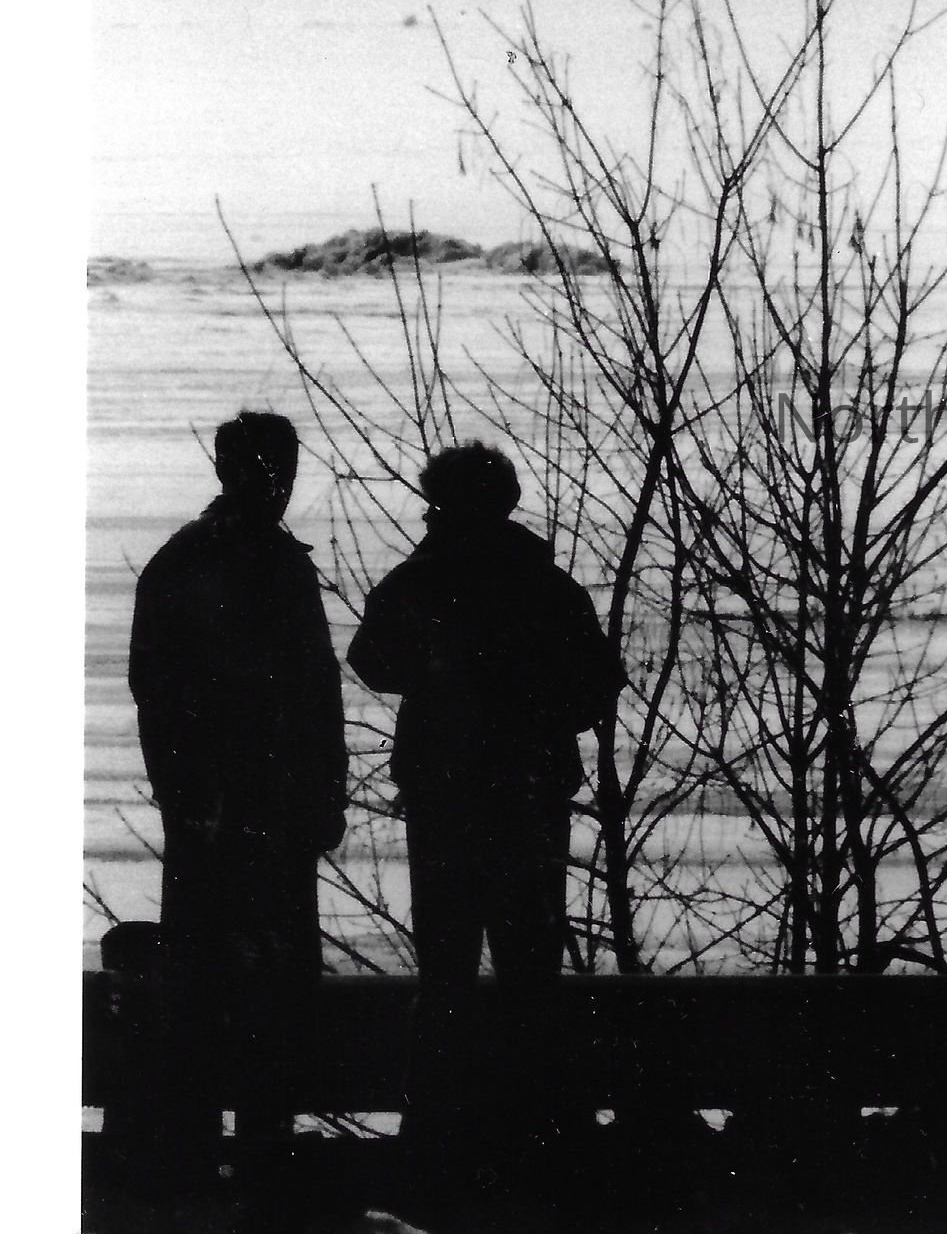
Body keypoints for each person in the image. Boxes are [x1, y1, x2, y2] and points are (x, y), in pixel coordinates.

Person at [127, 410, 348, 1178]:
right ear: (229, 472)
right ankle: (212, 1144)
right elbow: (158, 692)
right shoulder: (197, 564)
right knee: (218, 977)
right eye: (265, 469)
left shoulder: (263, 564)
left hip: (267, 807)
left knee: (261, 979)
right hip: (226, 808)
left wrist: (325, 792)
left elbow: (319, 691)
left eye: (283, 469)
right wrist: (191, 796)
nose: (277, 484)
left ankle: (249, 1140)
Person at [348, 442, 622, 988]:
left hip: (447, 793)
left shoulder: (419, 582)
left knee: (447, 967)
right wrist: (540, 714)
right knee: (530, 968)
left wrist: (436, 682)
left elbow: (370, 660)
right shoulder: (548, 585)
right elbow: (598, 686)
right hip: (529, 790)